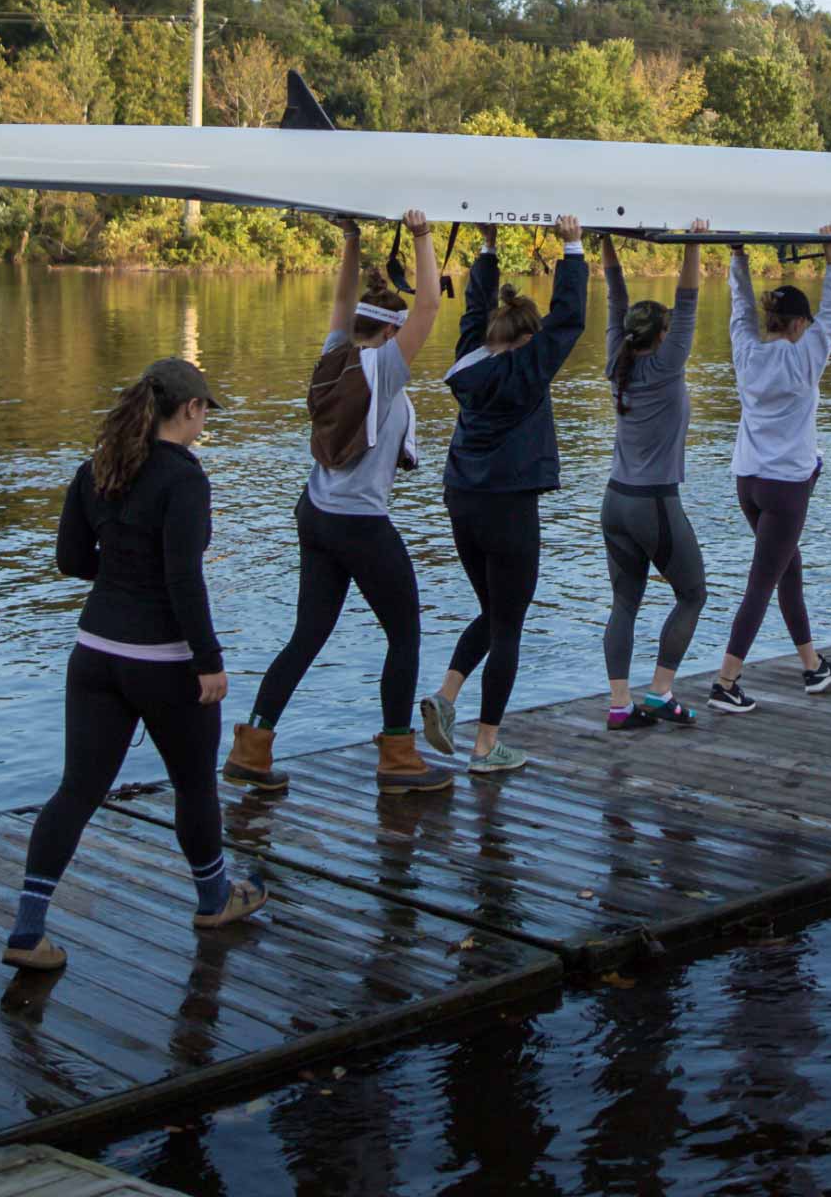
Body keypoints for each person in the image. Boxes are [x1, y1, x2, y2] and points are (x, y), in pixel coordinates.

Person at [4, 358, 264, 971]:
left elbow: (71, 559)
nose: (205, 422)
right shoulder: (185, 480)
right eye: (205, 412)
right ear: (192, 410)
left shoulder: (96, 469)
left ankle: (26, 931)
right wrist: (210, 661)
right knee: (195, 784)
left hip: (94, 653)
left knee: (77, 790)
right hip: (164, 661)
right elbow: (182, 577)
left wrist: (120, 574)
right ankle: (214, 898)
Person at [231, 213, 455, 796]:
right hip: (359, 523)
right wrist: (425, 235)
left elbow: (339, 296)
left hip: (316, 513)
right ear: (387, 334)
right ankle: (398, 758)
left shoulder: (333, 355)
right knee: (404, 634)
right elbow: (429, 305)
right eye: (401, 333)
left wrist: (351, 239)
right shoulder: (383, 369)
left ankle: (253, 745)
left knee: (307, 634)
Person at [418, 213, 589, 775]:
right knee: (509, 622)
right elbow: (570, 321)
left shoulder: (470, 357)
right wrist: (572, 248)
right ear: (525, 340)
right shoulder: (529, 367)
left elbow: (473, 310)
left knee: (492, 610)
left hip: (461, 497)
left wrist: (487, 248)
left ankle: (445, 699)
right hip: (509, 503)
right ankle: (486, 746)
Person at [707, 227, 831, 714]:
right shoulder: (807, 358)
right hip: (787, 489)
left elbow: (740, 309)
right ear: (797, 326)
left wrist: (737, 256)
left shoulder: (746, 352)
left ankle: (812, 666)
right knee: (761, 583)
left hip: (748, 482)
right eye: (806, 325)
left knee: (788, 567)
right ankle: (727, 681)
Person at [600, 223, 712, 731]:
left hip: (615, 501)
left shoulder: (614, 361)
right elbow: (687, 298)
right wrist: (694, 242)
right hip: (654, 505)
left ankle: (620, 705)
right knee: (692, 593)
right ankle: (661, 692)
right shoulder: (668, 365)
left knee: (625, 602)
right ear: (663, 336)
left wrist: (604, 242)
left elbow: (614, 299)